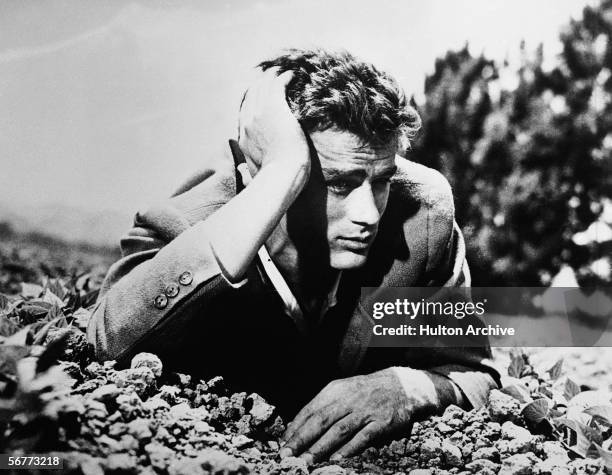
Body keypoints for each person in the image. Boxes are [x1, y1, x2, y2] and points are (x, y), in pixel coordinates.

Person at [87, 48, 500, 463]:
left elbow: (475, 373)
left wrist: (404, 388)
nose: (368, 214)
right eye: (338, 184)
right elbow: (105, 344)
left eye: (380, 181)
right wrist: (284, 170)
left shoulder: (422, 215)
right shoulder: (186, 224)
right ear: (261, 173)